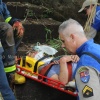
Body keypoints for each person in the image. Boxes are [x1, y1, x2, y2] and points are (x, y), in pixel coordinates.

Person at [58, 18, 100, 100]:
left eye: (63, 41)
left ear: (72, 37)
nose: (62, 45)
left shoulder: (85, 65)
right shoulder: (96, 48)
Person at [0, 0, 24, 90]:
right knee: (7, 28)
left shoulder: (1, 4)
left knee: (18, 29)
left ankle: (12, 56)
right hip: (3, 28)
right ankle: (9, 75)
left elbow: (7, 18)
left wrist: (16, 22)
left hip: (2, 28)